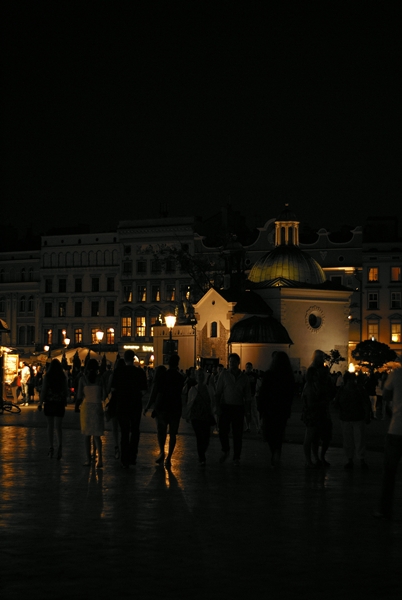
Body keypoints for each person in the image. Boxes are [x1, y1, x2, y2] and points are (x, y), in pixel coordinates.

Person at [110, 350, 147, 468]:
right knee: (135, 430)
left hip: (122, 405)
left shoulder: (118, 372)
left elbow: (113, 390)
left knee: (124, 432)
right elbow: (144, 391)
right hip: (135, 405)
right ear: (133, 359)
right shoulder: (140, 372)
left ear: (124, 359)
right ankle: (132, 456)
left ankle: (124, 457)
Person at [146, 354, 185, 468]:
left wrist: (149, 406)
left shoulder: (163, 376)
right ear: (177, 363)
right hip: (175, 408)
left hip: (163, 408)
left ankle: (162, 451)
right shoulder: (180, 377)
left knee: (161, 432)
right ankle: (169, 458)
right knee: (173, 434)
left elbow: (156, 392)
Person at [257, 351, 294, 467]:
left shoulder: (269, 374)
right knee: (279, 432)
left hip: (270, 409)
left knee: (270, 433)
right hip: (282, 410)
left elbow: (263, 393)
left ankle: (274, 452)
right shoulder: (288, 376)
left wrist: (261, 409)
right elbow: (290, 394)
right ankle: (277, 451)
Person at [374, 365, 402, 519]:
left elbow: (386, 395)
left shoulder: (396, 374)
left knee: (389, 473)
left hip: (397, 428)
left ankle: (384, 509)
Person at [215, 353, 252, 465]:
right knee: (223, 431)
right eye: (230, 362)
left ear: (238, 363)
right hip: (226, 406)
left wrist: (247, 410)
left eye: (234, 362)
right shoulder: (224, 375)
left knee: (237, 434)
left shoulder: (244, 377)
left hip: (238, 408)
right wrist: (217, 407)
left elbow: (247, 396)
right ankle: (225, 449)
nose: (232, 364)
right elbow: (218, 392)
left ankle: (236, 457)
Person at [301, 350, 334, 468]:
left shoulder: (319, 379)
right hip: (314, 412)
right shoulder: (311, 386)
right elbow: (310, 402)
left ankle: (317, 458)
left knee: (320, 435)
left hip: (320, 411)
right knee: (312, 436)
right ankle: (313, 459)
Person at [334, 372, 370, 469]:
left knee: (354, 439)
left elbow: (336, 403)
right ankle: (355, 459)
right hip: (352, 417)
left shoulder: (348, 390)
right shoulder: (358, 389)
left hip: (351, 417)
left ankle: (355, 459)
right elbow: (366, 403)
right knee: (353, 439)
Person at [76, 358, 106, 468]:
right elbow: (104, 394)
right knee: (97, 435)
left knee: (87, 435)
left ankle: (88, 459)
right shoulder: (100, 379)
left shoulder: (83, 379)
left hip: (87, 407)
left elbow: (79, 396)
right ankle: (100, 459)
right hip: (97, 406)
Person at [38, 359, 69, 459]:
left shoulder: (47, 376)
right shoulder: (62, 377)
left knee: (50, 426)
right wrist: (65, 399)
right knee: (58, 427)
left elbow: (43, 390)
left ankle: (51, 447)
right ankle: (60, 445)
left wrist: (40, 402)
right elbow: (66, 390)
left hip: (49, 402)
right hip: (59, 403)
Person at [187, 368, 214, 466]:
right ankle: (201, 456)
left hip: (206, 416)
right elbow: (189, 402)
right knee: (199, 437)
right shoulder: (193, 389)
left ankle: (202, 453)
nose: (201, 377)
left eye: (202, 375)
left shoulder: (209, 389)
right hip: (196, 416)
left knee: (206, 437)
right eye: (199, 376)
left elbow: (212, 402)